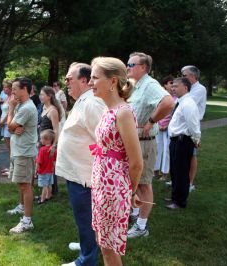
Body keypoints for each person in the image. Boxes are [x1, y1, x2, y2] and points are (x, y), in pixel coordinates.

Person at [89, 56, 143, 265]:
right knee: (103, 244)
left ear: (112, 81)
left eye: (95, 78)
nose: (91, 82)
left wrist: (130, 192)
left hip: (113, 189)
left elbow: (137, 162)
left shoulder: (123, 113)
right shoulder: (107, 109)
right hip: (102, 184)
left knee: (109, 249)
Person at [56, 62, 106, 266]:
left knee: (86, 220)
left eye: (69, 78)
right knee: (84, 219)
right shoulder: (82, 100)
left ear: (84, 80)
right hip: (76, 173)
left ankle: (86, 260)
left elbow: (105, 140)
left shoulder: (92, 103)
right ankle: (88, 246)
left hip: (85, 176)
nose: (65, 82)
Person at [126, 52, 174, 239]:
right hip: (134, 143)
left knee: (144, 184)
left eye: (131, 64)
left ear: (143, 67)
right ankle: (136, 214)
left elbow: (168, 102)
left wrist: (151, 121)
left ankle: (141, 227)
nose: (127, 66)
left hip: (144, 144)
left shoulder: (150, 85)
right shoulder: (135, 85)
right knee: (135, 183)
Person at [6, 77, 38, 234]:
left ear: (24, 89)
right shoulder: (22, 105)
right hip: (19, 150)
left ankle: (27, 221)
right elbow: (11, 128)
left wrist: (10, 110)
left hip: (24, 152)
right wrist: (12, 128)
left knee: (25, 185)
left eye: (14, 89)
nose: (12, 92)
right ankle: (21, 207)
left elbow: (9, 125)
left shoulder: (25, 108)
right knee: (22, 183)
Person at [166, 77, 201, 209]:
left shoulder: (188, 103)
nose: (173, 88)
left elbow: (193, 124)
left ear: (185, 88)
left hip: (183, 141)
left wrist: (196, 139)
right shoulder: (181, 102)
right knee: (175, 171)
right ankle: (175, 196)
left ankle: (180, 202)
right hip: (176, 141)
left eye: (176, 86)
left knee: (181, 171)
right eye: (172, 86)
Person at [181, 65, 207, 192]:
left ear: (193, 76)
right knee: (182, 154)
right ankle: (181, 180)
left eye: (184, 75)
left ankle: (190, 183)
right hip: (183, 124)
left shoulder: (200, 89)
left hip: (192, 124)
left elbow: (185, 102)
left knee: (192, 154)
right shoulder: (190, 88)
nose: (182, 77)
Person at [38, 86, 62, 195]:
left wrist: (53, 145)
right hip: (42, 142)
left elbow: (56, 129)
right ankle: (45, 190)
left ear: (49, 96)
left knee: (49, 168)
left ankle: (51, 191)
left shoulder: (52, 110)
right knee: (43, 166)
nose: (40, 96)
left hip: (49, 144)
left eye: (42, 94)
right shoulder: (44, 108)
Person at [154, 75, 176, 181]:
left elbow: (175, 115)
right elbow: (155, 111)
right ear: (165, 85)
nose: (173, 85)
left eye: (174, 83)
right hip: (159, 127)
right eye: (171, 83)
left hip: (169, 128)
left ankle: (165, 172)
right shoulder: (160, 97)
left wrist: (167, 125)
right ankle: (155, 170)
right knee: (158, 148)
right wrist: (158, 124)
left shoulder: (177, 98)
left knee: (167, 149)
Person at [36, 129, 57, 204]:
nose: (40, 140)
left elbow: (39, 162)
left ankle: (42, 199)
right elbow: (54, 161)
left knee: (44, 186)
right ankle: (49, 196)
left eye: (41, 138)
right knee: (49, 184)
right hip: (50, 171)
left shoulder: (42, 149)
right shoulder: (53, 149)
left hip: (43, 171)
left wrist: (36, 170)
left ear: (47, 140)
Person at [0, 80, 12, 176]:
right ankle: (11, 166)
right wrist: (0, 120)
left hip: (8, 124)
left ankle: (13, 168)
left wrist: (2, 121)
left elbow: (10, 112)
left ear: (10, 88)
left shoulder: (13, 98)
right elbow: (3, 111)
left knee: (11, 147)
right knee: (8, 147)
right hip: (4, 123)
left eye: (5, 87)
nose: (3, 89)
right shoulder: (6, 98)